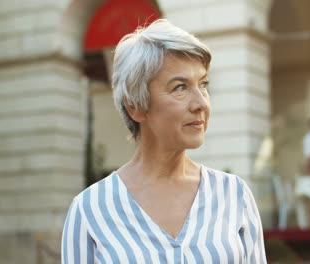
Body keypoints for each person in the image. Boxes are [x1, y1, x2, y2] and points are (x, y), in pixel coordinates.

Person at [61, 19, 266, 263]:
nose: (201, 103)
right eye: (180, 87)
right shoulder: (90, 209)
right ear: (135, 106)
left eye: (203, 84)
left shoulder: (234, 195)